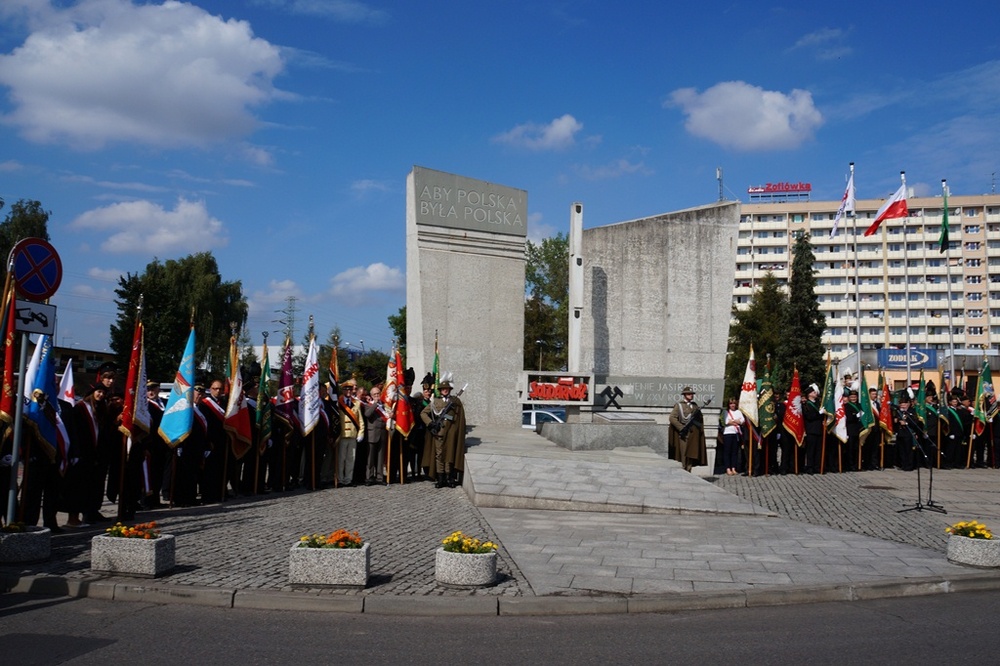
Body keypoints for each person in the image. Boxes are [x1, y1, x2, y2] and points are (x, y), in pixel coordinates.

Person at [420, 375, 467, 488]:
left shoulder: (455, 401)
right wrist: (430, 423)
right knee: (440, 455)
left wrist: (454, 427)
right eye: (443, 389)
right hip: (439, 432)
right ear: (440, 390)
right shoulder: (435, 401)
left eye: (447, 389)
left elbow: (459, 417)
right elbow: (423, 413)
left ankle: (449, 477)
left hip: (450, 433)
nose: (445, 390)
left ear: (450, 390)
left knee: (449, 455)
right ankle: (440, 478)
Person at [669, 387, 707, 473]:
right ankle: (683, 472)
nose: (691, 395)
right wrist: (681, 428)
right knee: (684, 454)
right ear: (684, 395)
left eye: (692, 394)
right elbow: (672, 418)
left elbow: (699, 419)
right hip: (684, 434)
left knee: (691, 454)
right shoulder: (679, 405)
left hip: (693, 435)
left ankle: (689, 471)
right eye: (689, 394)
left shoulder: (695, 406)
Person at [336, 379, 363, 486]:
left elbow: (360, 420)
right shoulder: (338, 402)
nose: (348, 391)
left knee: (350, 459)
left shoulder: (356, 403)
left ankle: (348, 479)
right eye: (346, 389)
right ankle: (340, 479)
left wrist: (361, 433)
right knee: (341, 459)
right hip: (342, 435)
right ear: (342, 390)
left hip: (352, 435)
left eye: (350, 389)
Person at [363, 384, 388, 485]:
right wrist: (375, 404)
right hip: (372, 434)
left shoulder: (384, 405)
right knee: (370, 458)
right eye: (375, 394)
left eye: (378, 393)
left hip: (382, 433)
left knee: (380, 457)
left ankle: (379, 477)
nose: (377, 395)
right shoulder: (368, 405)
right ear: (371, 395)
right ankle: (369, 477)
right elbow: (367, 414)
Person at [802, 384, 823, 474]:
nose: (816, 393)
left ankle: (817, 467)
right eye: (814, 392)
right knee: (811, 450)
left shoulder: (818, 403)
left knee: (818, 450)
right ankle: (809, 467)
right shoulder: (806, 405)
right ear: (809, 394)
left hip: (819, 429)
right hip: (811, 430)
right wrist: (819, 414)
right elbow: (809, 416)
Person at [720, 397, 744, 476]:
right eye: (731, 403)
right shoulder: (726, 412)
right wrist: (736, 421)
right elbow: (726, 421)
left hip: (736, 433)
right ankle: (728, 468)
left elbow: (742, 421)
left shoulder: (738, 412)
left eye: (734, 403)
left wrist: (733, 421)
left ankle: (734, 467)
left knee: (735, 451)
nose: (732, 405)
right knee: (727, 451)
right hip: (728, 433)